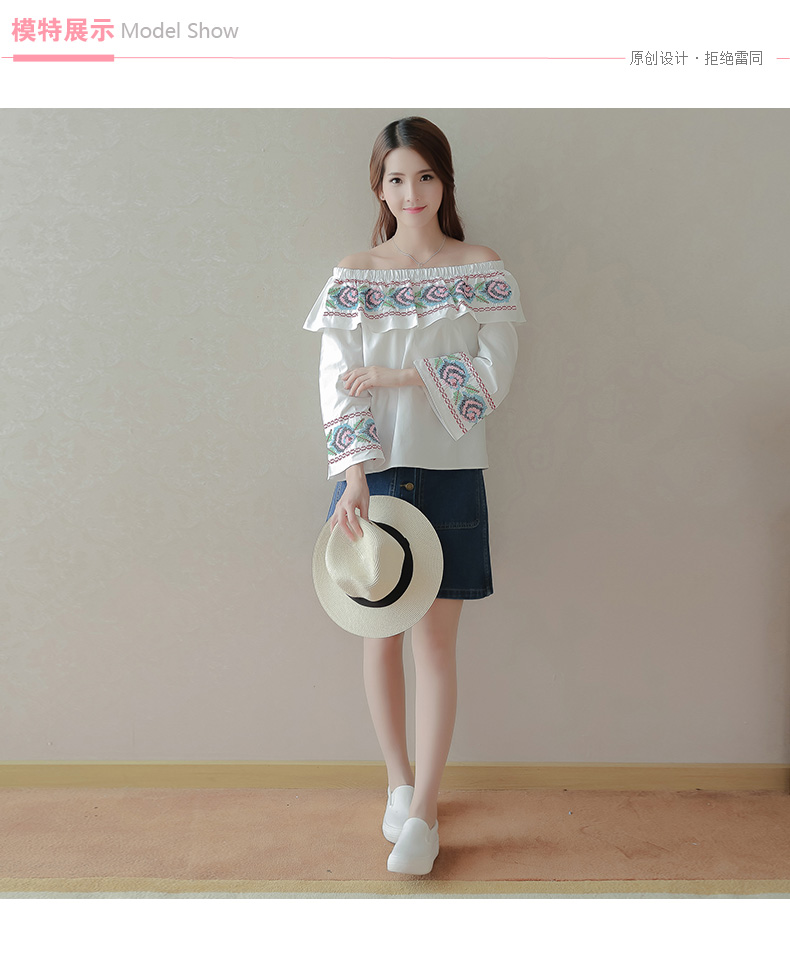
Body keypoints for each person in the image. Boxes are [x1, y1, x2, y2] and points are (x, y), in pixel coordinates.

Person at [304, 116, 526, 875]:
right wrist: (353, 476)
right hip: (374, 475)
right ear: (379, 187)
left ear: (444, 181)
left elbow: (493, 381)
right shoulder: (354, 274)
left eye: (425, 176)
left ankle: (426, 811)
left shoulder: (481, 267)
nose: (412, 192)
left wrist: (399, 377)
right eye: (396, 178)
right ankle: (398, 785)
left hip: (453, 471)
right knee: (379, 636)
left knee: (434, 646)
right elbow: (336, 382)